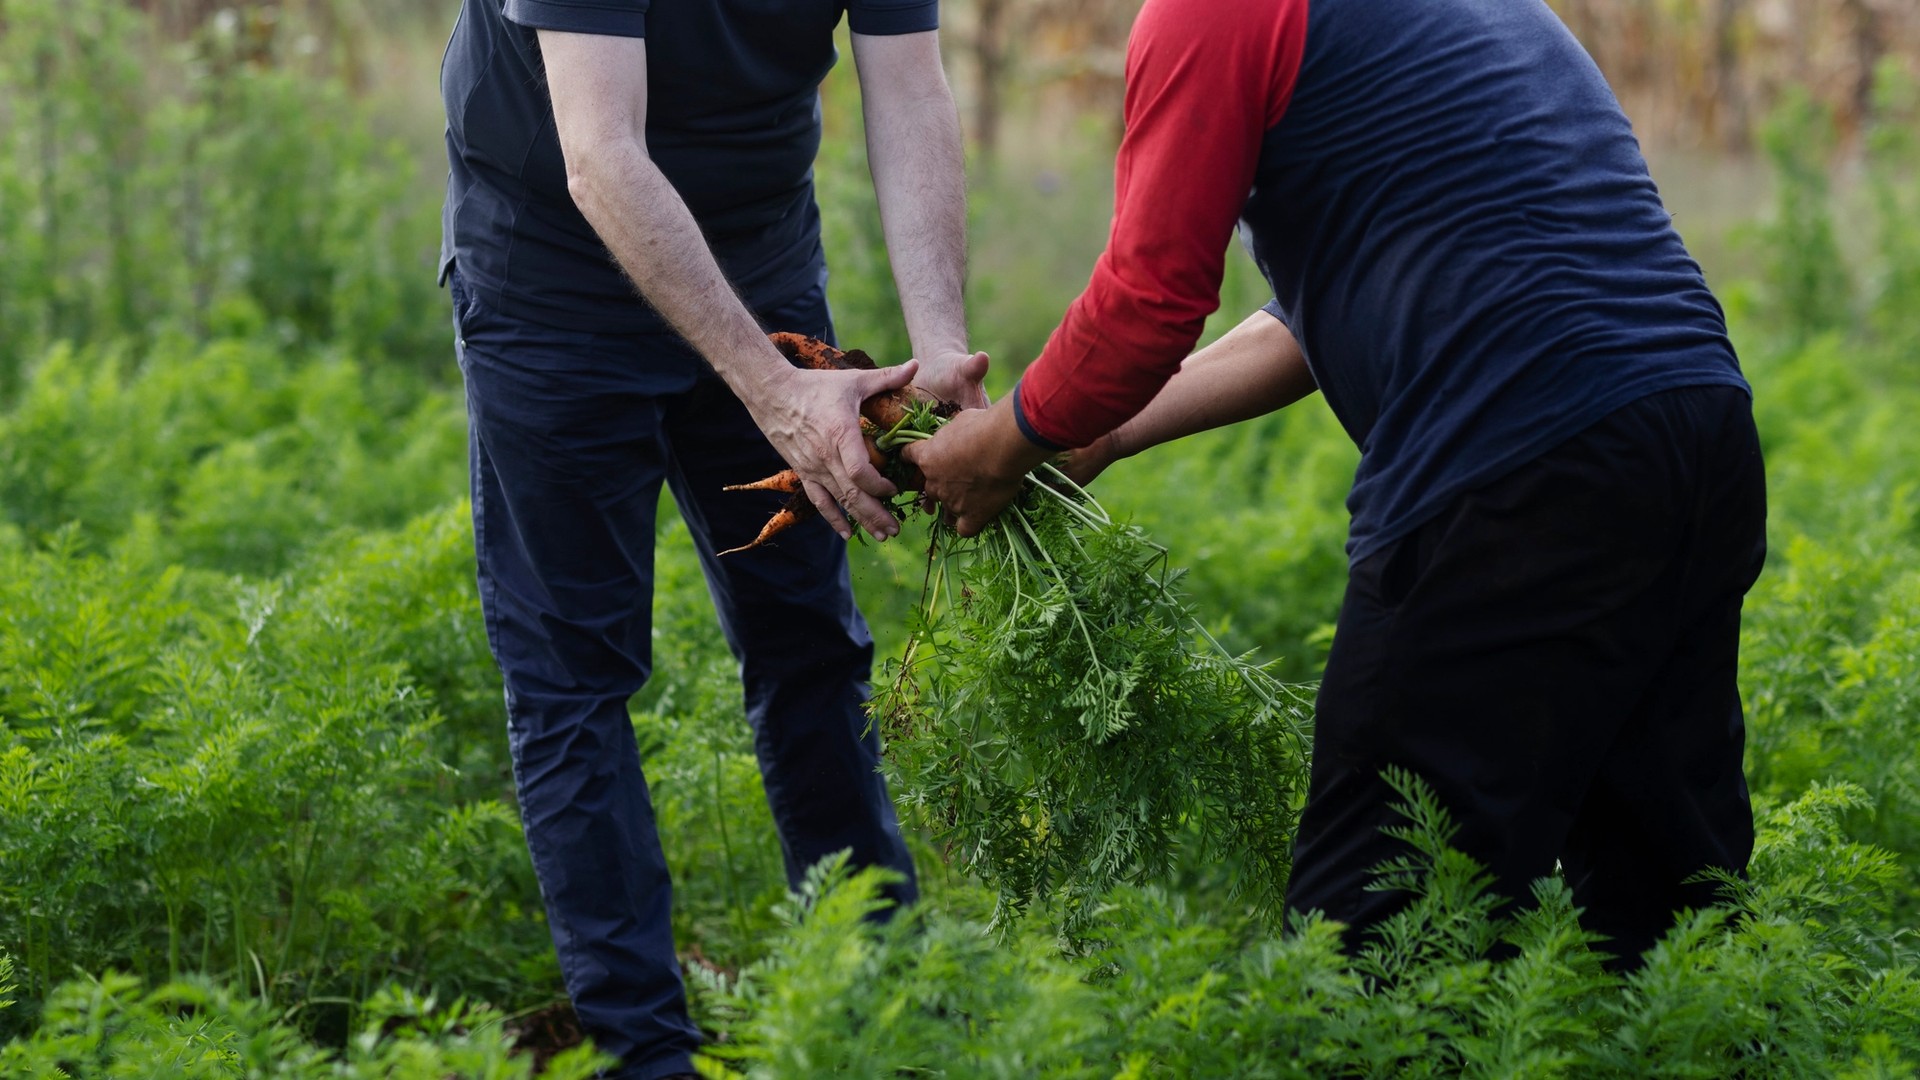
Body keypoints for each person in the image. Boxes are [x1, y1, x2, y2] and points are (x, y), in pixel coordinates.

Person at [905, 0, 1765, 969]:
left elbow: (1148, 300)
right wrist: (1091, 434)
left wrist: (1000, 444)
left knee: (1375, 939)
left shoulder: (1210, 11)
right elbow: (1307, 316)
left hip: (1515, 467)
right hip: (1695, 429)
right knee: (1671, 930)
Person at [438, 0, 984, 1075]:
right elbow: (601, 157)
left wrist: (939, 355)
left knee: (808, 638)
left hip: (758, 246)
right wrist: (777, 397)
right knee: (574, 676)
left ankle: (877, 1009)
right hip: (552, 277)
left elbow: (909, 85)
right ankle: (646, 1055)